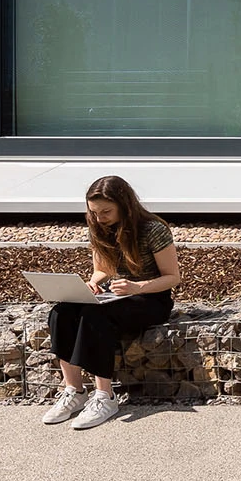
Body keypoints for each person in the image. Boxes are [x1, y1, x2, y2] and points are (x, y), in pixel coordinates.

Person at [40, 176, 180, 430]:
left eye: (106, 211)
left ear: (124, 205)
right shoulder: (99, 227)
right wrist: (93, 283)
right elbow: (102, 269)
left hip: (151, 298)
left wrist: (137, 286)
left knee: (95, 317)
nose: (100, 217)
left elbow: (172, 277)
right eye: (94, 212)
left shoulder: (153, 229)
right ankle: (74, 390)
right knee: (61, 311)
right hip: (116, 293)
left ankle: (105, 396)